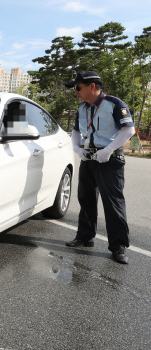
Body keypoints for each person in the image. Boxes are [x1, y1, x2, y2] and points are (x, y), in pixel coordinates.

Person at [64, 71, 135, 264]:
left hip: (109, 159)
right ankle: (85, 237)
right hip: (89, 157)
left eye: (78, 88)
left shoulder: (114, 104)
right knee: (85, 198)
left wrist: (109, 150)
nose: (76, 92)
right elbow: (76, 131)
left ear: (92, 87)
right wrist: (77, 149)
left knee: (113, 203)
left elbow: (129, 130)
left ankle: (118, 247)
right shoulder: (82, 108)